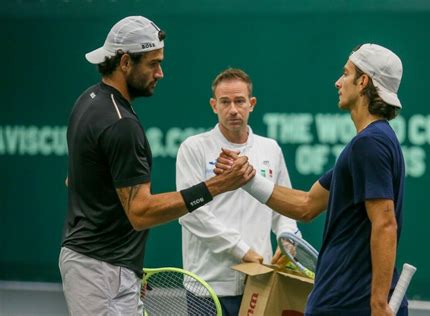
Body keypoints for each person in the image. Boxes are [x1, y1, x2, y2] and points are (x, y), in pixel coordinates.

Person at [59, 16, 254, 316]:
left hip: (103, 265)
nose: (160, 73)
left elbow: (75, 181)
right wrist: (218, 185)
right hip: (101, 271)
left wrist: (128, 268)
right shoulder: (121, 124)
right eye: (153, 64)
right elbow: (141, 213)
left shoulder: (88, 101)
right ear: (125, 62)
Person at [216, 44, 408, 316]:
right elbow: (306, 204)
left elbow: (385, 223)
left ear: (363, 82)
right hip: (342, 297)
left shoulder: (370, 144)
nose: (338, 82)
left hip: (351, 302)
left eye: (346, 73)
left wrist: (377, 302)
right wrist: (247, 179)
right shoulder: (368, 143)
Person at [176, 68, 300, 315]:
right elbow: (192, 213)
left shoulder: (270, 149)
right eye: (225, 102)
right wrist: (243, 251)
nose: (233, 109)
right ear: (214, 105)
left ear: (251, 104)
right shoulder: (193, 148)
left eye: (239, 101)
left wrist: (287, 236)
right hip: (207, 286)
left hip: (258, 282)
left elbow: (285, 205)